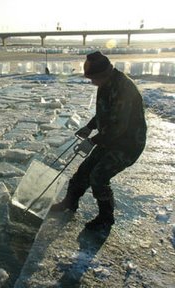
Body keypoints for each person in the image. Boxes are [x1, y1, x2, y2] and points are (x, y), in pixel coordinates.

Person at [50, 51, 147, 231]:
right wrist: (90, 127)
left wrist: (93, 141)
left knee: (99, 176)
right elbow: (105, 112)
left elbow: (119, 125)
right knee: (83, 172)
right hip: (109, 139)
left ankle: (106, 218)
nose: (91, 82)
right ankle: (69, 204)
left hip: (128, 144)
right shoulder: (106, 83)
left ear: (103, 73)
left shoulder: (123, 88)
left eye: (92, 78)